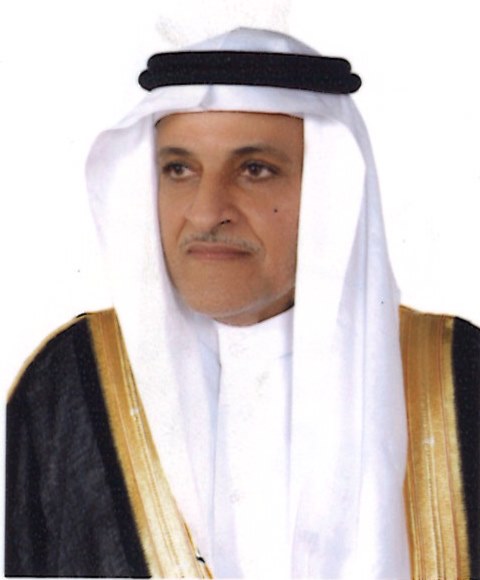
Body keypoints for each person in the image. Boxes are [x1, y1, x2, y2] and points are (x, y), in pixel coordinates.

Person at [5, 27, 479, 578]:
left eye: (255, 170)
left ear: (329, 191)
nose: (207, 212)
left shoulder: (459, 375)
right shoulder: (70, 382)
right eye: (179, 169)